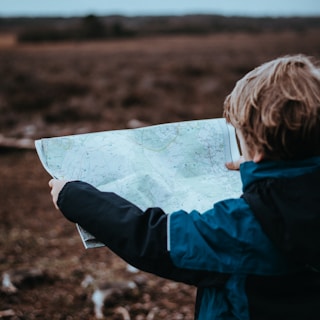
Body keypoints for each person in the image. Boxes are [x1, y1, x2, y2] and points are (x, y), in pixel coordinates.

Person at [49, 54, 320, 319]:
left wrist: (75, 197)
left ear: (258, 150)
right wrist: (257, 166)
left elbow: (154, 240)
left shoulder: (241, 227)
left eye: (243, 138)